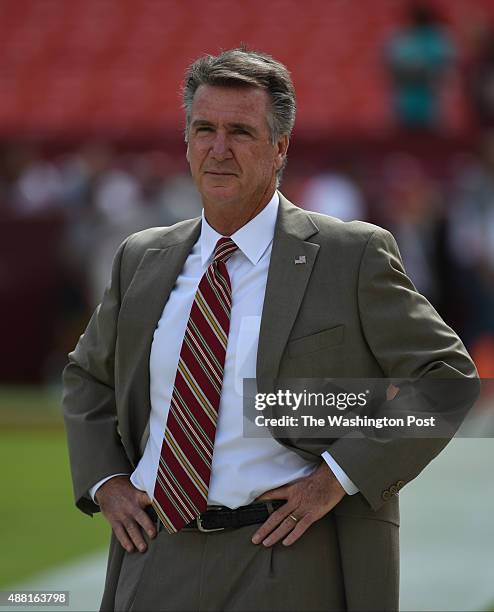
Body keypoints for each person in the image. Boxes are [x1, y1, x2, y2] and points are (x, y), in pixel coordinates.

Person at [63, 48, 478, 612]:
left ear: (280, 147)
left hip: (287, 561)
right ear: (186, 141)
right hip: (156, 557)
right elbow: (88, 378)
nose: (218, 148)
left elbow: (447, 378)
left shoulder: (348, 255)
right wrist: (106, 481)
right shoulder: (143, 258)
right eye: (203, 129)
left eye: (241, 131)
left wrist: (336, 477)